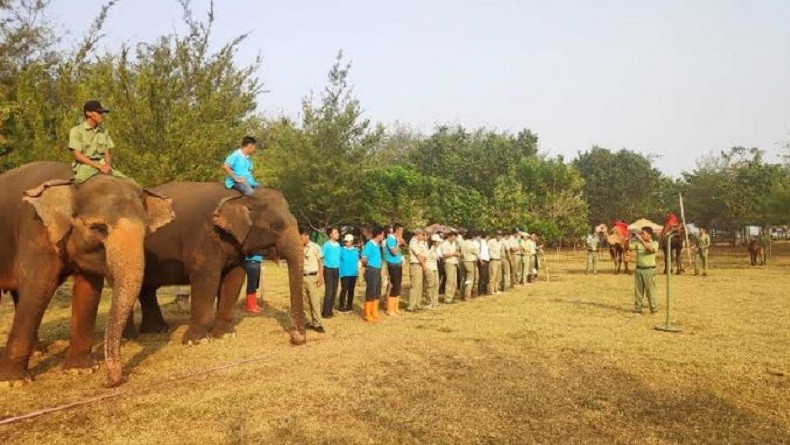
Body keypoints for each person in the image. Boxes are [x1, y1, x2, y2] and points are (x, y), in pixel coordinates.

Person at [69, 100, 128, 184]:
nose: (102, 115)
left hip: (103, 164)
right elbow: (78, 155)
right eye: (99, 112)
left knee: (127, 181)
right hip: (85, 165)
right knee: (79, 181)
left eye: (102, 113)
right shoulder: (76, 131)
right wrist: (98, 165)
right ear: (88, 113)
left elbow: (106, 153)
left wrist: (107, 165)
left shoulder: (104, 131)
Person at [300, 227, 325, 332]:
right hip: (302, 277)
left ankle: (317, 324)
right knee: (304, 302)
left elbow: (320, 262)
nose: (299, 240)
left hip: (312, 277)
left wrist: (321, 276)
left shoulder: (315, 247)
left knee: (314, 301)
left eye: (301, 237)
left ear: (307, 236)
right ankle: (308, 322)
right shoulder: (299, 248)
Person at [631, 226, 659, 315]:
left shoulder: (654, 243)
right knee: (638, 291)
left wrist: (641, 240)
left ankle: (653, 309)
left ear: (649, 235)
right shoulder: (637, 243)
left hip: (649, 270)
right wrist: (627, 238)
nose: (641, 235)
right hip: (639, 269)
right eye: (641, 233)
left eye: (643, 233)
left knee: (650, 290)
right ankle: (638, 309)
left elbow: (650, 250)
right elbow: (627, 247)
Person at [361, 226, 385, 323]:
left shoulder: (377, 245)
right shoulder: (369, 244)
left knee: (377, 292)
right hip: (371, 270)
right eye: (383, 234)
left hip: (377, 270)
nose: (383, 236)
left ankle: (374, 312)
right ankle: (367, 314)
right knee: (371, 292)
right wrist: (368, 266)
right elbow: (363, 258)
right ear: (379, 235)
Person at [384, 223, 405, 316]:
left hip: (399, 264)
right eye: (401, 231)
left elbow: (403, 245)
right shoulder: (390, 239)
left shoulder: (397, 239)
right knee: (394, 286)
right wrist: (398, 243)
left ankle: (396, 307)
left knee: (398, 286)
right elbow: (394, 252)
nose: (402, 233)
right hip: (392, 265)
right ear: (397, 230)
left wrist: (401, 242)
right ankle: (390, 309)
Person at [321, 226, 342, 318]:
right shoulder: (326, 245)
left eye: (338, 233)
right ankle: (325, 312)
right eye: (335, 233)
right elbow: (321, 257)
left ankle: (330, 311)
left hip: (336, 270)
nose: (338, 234)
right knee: (329, 291)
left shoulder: (338, 246)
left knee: (334, 291)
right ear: (330, 235)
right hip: (328, 269)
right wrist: (320, 272)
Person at [338, 233, 360, 313]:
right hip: (344, 273)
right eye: (346, 241)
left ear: (352, 241)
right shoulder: (341, 249)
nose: (346, 242)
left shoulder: (356, 250)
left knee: (351, 290)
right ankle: (341, 306)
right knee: (344, 290)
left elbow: (357, 261)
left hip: (353, 274)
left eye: (348, 241)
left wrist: (358, 271)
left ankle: (349, 306)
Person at [407, 229, 427, 312]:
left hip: (419, 265)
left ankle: (417, 304)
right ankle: (411, 305)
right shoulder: (413, 242)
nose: (423, 236)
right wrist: (424, 266)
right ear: (418, 234)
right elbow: (419, 256)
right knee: (415, 285)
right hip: (415, 265)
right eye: (422, 234)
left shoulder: (419, 242)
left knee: (419, 285)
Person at [440, 231, 461, 303]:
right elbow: (444, 255)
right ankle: (447, 298)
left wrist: (457, 254)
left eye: (455, 238)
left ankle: (451, 297)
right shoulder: (444, 244)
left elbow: (457, 252)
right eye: (453, 238)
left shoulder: (454, 243)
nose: (454, 239)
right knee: (449, 281)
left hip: (455, 263)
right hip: (448, 263)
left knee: (454, 282)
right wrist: (454, 254)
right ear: (449, 236)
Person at [460, 230, 480, 301]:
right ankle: (467, 296)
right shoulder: (471, 244)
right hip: (470, 262)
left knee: (463, 278)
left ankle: (462, 294)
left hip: (462, 261)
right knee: (470, 279)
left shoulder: (462, 243)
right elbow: (477, 252)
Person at [423, 234, 441, 309]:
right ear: (434, 242)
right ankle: (429, 302)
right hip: (428, 267)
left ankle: (435, 301)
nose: (439, 243)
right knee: (430, 285)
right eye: (438, 242)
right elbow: (424, 257)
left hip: (434, 267)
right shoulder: (427, 247)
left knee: (436, 284)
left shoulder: (436, 248)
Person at [487, 230, 504, 295]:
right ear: (495, 235)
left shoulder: (501, 242)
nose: (499, 236)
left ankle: (496, 290)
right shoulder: (491, 241)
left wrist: (501, 259)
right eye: (498, 234)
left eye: (500, 235)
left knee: (498, 276)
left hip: (499, 260)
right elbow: (487, 250)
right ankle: (491, 291)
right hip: (493, 260)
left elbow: (501, 251)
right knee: (492, 276)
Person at [477, 231, 490, 296]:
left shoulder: (485, 242)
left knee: (486, 276)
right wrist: (480, 261)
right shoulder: (480, 242)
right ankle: (481, 291)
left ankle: (485, 290)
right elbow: (478, 252)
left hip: (486, 260)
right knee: (482, 276)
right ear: (486, 236)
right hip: (482, 260)